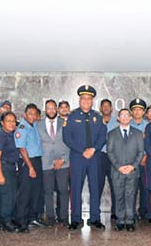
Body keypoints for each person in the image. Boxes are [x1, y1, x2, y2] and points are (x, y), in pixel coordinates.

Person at [63, 85, 107, 230]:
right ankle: (76, 218)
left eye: (89, 99)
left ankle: (95, 218)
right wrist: (82, 151)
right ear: (79, 100)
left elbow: (103, 136)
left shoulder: (98, 117)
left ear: (92, 101)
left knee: (95, 187)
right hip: (78, 157)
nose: (86, 101)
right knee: (76, 187)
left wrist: (93, 149)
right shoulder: (72, 116)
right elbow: (67, 138)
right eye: (84, 98)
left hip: (95, 157)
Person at [107, 108, 144, 231]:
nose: (124, 117)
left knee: (131, 195)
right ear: (118, 118)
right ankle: (120, 220)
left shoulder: (138, 133)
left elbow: (140, 152)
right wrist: (118, 166)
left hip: (132, 171)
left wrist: (133, 166)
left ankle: (130, 220)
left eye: (127, 115)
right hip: (117, 171)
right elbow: (110, 152)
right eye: (122, 115)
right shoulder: (112, 134)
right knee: (118, 196)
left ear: (131, 117)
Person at [38, 99, 70, 225]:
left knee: (63, 191)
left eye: (53, 108)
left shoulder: (65, 123)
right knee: (48, 191)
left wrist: (63, 159)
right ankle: (50, 217)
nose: (51, 110)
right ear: (45, 110)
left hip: (63, 163)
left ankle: (64, 217)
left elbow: (70, 142)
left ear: (56, 109)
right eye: (48, 108)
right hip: (46, 163)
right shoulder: (38, 125)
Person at [14, 103, 45, 232]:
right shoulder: (22, 128)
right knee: (25, 193)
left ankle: (32, 218)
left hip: (37, 160)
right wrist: (30, 167)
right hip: (27, 163)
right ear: (25, 115)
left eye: (35, 114)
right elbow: (22, 149)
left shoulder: (34, 125)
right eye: (30, 114)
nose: (32, 116)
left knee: (35, 192)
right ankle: (21, 222)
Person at [0, 111, 20, 232]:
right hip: (4, 167)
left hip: (12, 168)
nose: (11, 123)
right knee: (6, 196)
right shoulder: (0, 135)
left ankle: (7, 219)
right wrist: (0, 174)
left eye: (13, 121)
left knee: (12, 195)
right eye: (8, 121)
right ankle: (6, 221)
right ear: (2, 123)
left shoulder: (13, 134)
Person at [97, 99, 119, 220]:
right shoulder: (96, 121)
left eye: (108, 106)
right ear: (100, 109)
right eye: (103, 106)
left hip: (113, 157)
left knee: (115, 185)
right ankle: (95, 212)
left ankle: (115, 212)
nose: (105, 108)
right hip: (99, 156)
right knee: (97, 185)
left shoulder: (117, 122)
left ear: (111, 108)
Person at [129, 99, 150, 220]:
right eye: (135, 110)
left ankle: (144, 212)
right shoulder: (127, 124)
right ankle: (131, 213)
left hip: (145, 162)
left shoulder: (149, 126)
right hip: (131, 162)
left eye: (140, 109)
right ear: (131, 112)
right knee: (131, 189)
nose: (137, 112)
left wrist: (145, 156)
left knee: (145, 188)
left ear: (143, 112)